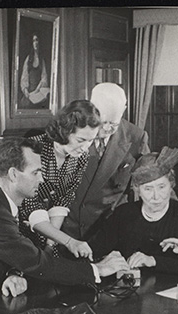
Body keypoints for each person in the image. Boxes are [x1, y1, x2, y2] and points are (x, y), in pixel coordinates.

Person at [0, 136, 129, 291]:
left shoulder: (4, 203)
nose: (42, 179)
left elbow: (15, 253)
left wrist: (14, 273)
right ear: (13, 174)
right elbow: (36, 262)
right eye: (36, 172)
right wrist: (98, 269)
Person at [0, 100, 100, 260]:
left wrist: (50, 245)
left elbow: (63, 201)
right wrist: (69, 241)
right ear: (65, 130)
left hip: (43, 226)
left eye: (91, 140)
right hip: (7, 217)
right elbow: (30, 204)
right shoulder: (35, 148)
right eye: (81, 140)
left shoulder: (81, 157)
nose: (85, 147)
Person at [88, 147, 178, 277]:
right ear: (137, 190)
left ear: (171, 185)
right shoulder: (123, 213)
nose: (156, 196)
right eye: (148, 189)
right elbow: (96, 249)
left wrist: (152, 260)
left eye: (162, 187)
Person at [62, 82, 150, 241]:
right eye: (103, 122)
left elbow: (152, 177)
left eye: (114, 123)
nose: (108, 128)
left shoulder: (136, 137)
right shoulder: (71, 130)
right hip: (68, 227)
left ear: (123, 111)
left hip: (110, 227)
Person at [19, 33, 49, 109]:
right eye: (33, 41)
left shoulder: (42, 60)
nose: (35, 42)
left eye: (37, 40)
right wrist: (26, 91)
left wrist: (37, 90)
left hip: (39, 92)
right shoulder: (28, 59)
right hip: (29, 94)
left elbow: (44, 78)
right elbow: (24, 76)